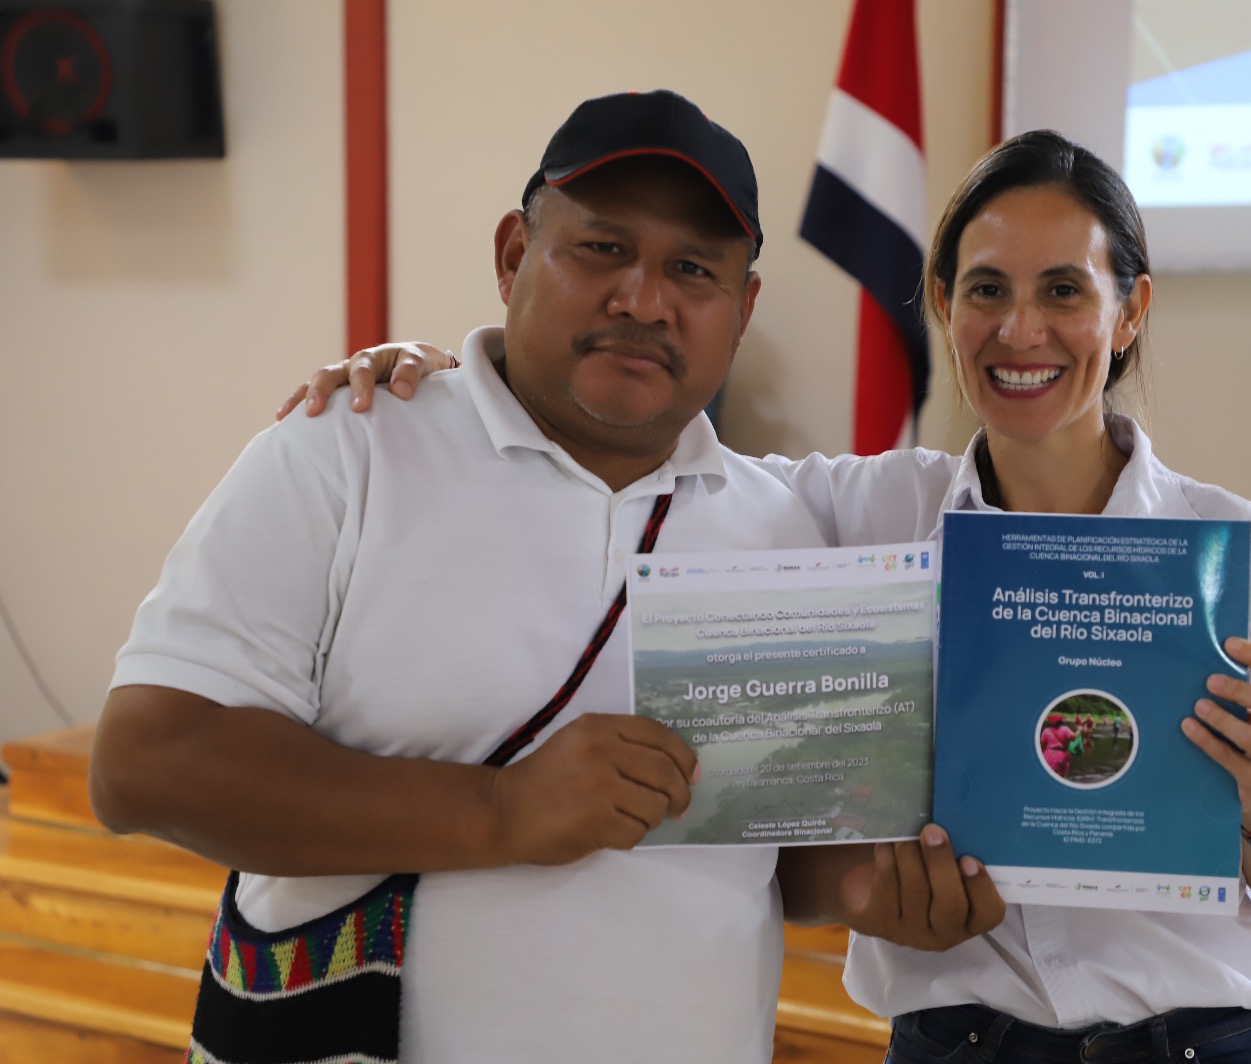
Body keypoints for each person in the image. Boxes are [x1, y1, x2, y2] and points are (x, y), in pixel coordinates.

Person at [284, 131, 1251, 1063]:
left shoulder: (1242, 556)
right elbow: (649, 456)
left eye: (1064, 291)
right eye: (986, 289)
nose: (1021, 330)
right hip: (962, 1035)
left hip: (1202, 1031)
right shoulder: (859, 515)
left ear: (1130, 310)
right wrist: (455, 384)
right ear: (942, 303)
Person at [90, 89, 1002, 1064]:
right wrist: (501, 811)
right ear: (513, 254)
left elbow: (771, 855)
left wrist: (877, 892)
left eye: (693, 270)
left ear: (741, 311)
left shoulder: (781, 526)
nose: (643, 300)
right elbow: (144, 765)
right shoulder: (347, 452)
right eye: (602, 248)